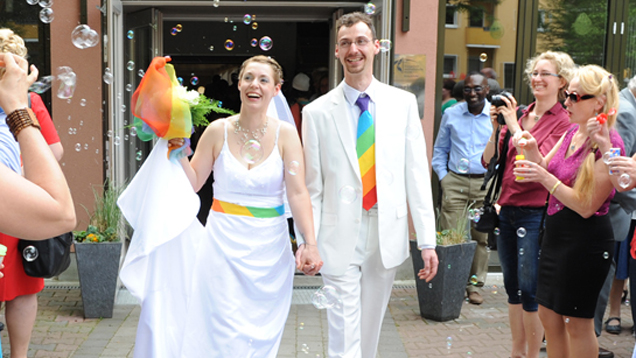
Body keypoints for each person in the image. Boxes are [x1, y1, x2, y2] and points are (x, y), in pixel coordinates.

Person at [301, 12, 438, 358]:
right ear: (337, 51)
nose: (354, 49)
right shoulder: (316, 113)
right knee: (342, 333)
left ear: (376, 47)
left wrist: (427, 241)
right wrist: (309, 242)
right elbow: (312, 187)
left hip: (385, 232)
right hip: (336, 235)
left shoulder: (403, 103)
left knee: (369, 332)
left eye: (361, 41)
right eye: (345, 43)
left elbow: (416, 176)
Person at [166, 55, 321, 357]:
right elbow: (195, 182)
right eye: (249, 78)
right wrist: (177, 149)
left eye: (264, 80)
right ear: (238, 84)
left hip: (269, 249)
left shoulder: (287, 135)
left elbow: (298, 193)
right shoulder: (217, 130)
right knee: (220, 329)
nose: (255, 85)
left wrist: (310, 244)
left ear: (277, 89)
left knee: (259, 337)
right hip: (220, 246)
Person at [512, 64, 624, 358]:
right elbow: (545, 167)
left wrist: (544, 179)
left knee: (577, 322)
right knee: (548, 316)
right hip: (557, 235)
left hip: (585, 241)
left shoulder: (609, 143)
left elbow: (587, 206)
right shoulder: (572, 131)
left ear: (598, 102)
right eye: (568, 95)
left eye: (575, 96)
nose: (567, 101)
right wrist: (533, 147)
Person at [482, 50, 574, 358]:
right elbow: (488, 160)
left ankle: (532, 354)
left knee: (531, 290)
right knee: (512, 289)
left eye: (544, 73)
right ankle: (517, 352)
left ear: (562, 81)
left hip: (536, 212)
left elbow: (541, 166)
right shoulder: (521, 115)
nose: (536, 79)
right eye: (534, 73)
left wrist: (511, 122)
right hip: (507, 210)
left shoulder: (564, 121)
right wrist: (497, 128)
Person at [0, 28, 72, 358]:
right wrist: (26, 184)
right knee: (21, 288)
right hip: (20, 205)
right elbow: (54, 152)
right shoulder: (26, 102)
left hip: (14, 201)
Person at [432, 72, 492, 305]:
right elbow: (440, 150)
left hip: (484, 183)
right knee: (452, 237)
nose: (472, 93)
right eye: (467, 89)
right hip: (455, 180)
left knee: (480, 238)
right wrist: (444, 178)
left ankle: (474, 286)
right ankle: (453, 284)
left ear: (487, 90)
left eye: (478, 89)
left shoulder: (496, 115)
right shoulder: (451, 114)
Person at [593, 74, 636, 358]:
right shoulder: (628, 113)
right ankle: (589, 341)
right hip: (612, 212)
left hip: (612, 210)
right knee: (598, 281)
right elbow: (620, 170)